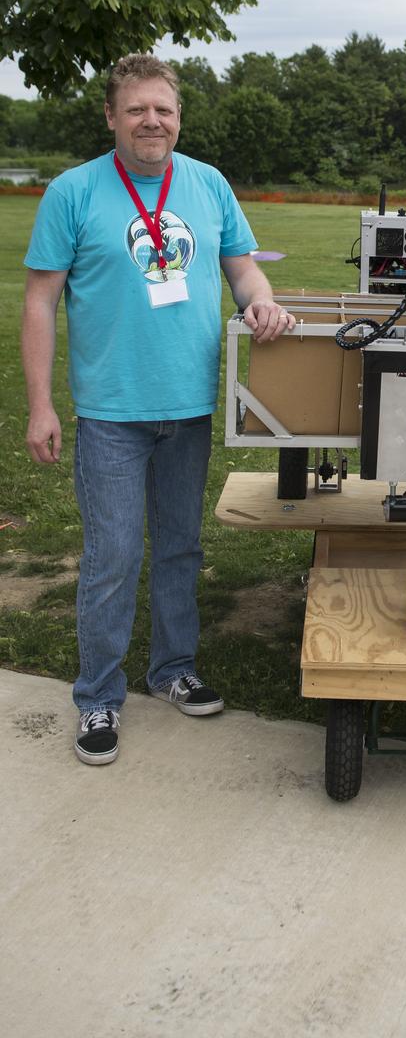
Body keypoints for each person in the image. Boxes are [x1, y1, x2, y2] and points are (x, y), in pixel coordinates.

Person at [21, 54, 296, 766]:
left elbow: (241, 265)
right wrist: (41, 405)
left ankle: (172, 670)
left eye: (164, 110)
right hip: (111, 410)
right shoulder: (73, 192)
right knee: (112, 558)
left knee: (179, 548)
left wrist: (260, 299)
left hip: (188, 405)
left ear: (179, 119)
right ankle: (98, 697)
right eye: (137, 109)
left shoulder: (206, 184)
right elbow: (40, 301)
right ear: (112, 116)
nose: (152, 120)